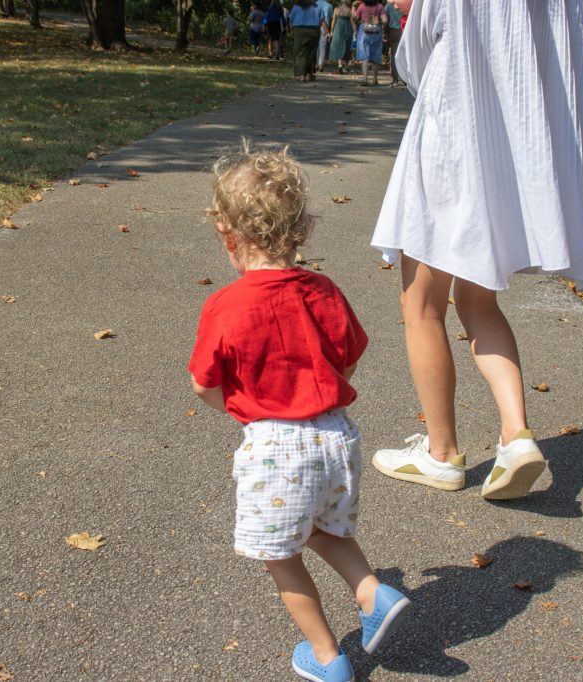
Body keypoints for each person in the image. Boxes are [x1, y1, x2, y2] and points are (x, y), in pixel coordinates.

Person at [370, 1, 583, 499]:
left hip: (451, 141)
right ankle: (516, 436)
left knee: (422, 306)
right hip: (510, 150)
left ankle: (441, 455)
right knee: (479, 302)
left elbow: (417, 54)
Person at [191, 144, 410, 682]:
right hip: (336, 437)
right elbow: (349, 354)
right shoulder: (324, 291)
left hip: (274, 445)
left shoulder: (227, 305)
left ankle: (328, 658)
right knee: (322, 529)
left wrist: (244, 413)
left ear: (229, 237)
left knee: (282, 558)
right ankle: (372, 592)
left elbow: (202, 383)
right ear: (301, 229)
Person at [291, 0, 330, 82]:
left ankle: (301, 75)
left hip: (299, 30)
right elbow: (322, 21)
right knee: (311, 53)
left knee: (300, 53)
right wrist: (327, 32)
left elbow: (291, 19)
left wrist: (291, 30)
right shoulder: (317, 7)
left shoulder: (296, 7)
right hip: (313, 31)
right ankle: (310, 74)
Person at [351, 0, 387, 85]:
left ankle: (365, 78)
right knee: (375, 55)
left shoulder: (362, 6)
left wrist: (353, 7)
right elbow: (385, 20)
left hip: (364, 33)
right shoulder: (380, 6)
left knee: (365, 56)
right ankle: (375, 79)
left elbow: (355, 18)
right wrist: (378, 21)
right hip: (376, 33)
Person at [382, 0, 406, 85]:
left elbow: (385, 20)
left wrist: (384, 32)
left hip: (393, 31)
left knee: (394, 54)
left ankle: (395, 78)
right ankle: (405, 78)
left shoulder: (389, 5)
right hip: (404, 30)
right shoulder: (404, 3)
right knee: (405, 54)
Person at [328, 0, 354, 73]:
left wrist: (331, 31)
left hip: (338, 28)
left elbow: (333, 21)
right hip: (347, 28)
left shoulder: (336, 9)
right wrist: (355, 32)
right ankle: (346, 66)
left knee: (339, 45)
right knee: (347, 45)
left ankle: (340, 65)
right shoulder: (349, 10)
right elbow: (352, 22)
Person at [315, 0, 335, 72]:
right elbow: (331, 18)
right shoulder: (330, 6)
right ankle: (320, 65)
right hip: (325, 26)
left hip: (316, 25)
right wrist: (329, 31)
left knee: (316, 46)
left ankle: (315, 64)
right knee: (322, 46)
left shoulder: (316, 3)